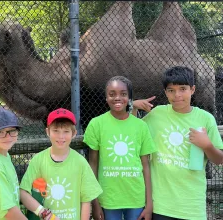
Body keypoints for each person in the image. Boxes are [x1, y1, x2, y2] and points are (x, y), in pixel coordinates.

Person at [134, 66, 223, 220]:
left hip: (192, 207)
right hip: (161, 205)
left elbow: (219, 159)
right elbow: (134, 133)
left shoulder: (206, 119)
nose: (177, 95)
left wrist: (207, 145)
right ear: (165, 92)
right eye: (171, 90)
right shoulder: (157, 114)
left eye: (183, 89)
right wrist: (133, 108)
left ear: (192, 89)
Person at [83, 76, 156, 220]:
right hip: (108, 198)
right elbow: (93, 164)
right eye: (112, 94)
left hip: (136, 197)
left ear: (129, 98)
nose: (117, 98)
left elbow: (146, 166)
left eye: (123, 94)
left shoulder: (141, 126)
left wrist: (149, 204)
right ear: (106, 97)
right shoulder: (96, 124)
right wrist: (95, 203)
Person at [20, 108, 102, 220]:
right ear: (47, 132)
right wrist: (44, 213)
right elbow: (23, 192)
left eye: (66, 131)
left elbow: (86, 200)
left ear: (74, 134)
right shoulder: (38, 160)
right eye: (56, 131)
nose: (61, 136)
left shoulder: (80, 162)